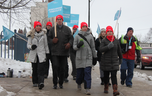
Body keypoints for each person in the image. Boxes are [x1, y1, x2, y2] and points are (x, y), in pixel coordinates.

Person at [48, 15, 73, 89]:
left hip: (64, 52)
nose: (59, 20)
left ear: (62, 20)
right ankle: (55, 83)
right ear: (56, 20)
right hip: (55, 52)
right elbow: (48, 38)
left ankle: (61, 83)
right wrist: (52, 41)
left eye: (60, 19)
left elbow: (71, 38)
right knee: (55, 67)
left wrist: (69, 44)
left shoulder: (67, 29)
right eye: (58, 19)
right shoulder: (52, 29)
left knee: (62, 68)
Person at [73, 22, 97, 95]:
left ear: (87, 28)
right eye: (83, 26)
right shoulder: (77, 36)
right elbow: (74, 47)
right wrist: (78, 46)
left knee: (87, 73)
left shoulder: (90, 37)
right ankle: (79, 83)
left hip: (88, 58)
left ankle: (87, 88)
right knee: (79, 74)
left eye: (85, 26)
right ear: (81, 28)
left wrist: (95, 56)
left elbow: (93, 47)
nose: (84, 28)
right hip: (79, 58)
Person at [99, 26, 122, 96]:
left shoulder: (116, 41)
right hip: (106, 61)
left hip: (114, 61)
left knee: (113, 76)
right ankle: (106, 87)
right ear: (106, 33)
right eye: (108, 31)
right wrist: (108, 47)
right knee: (106, 76)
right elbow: (101, 49)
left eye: (110, 31)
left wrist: (120, 59)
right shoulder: (104, 41)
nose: (109, 33)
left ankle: (115, 90)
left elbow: (119, 51)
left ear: (113, 32)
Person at [26, 21, 49, 90]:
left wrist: (47, 53)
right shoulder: (31, 35)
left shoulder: (44, 35)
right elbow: (28, 45)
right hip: (34, 54)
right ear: (35, 27)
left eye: (39, 26)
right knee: (35, 69)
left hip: (41, 54)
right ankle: (35, 82)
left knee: (41, 69)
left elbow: (46, 45)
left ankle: (41, 82)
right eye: (37, 26)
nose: (38, 27)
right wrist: (31, 47)